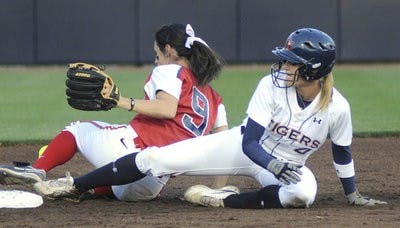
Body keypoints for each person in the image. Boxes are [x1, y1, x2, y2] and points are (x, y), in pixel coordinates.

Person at [31, 28, 387, 208]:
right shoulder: (271, 86)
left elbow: (342, 153)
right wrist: (273, 165)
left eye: (292, 62)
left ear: (313, 70)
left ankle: (219, 200)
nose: (284, 66)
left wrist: (352, 194)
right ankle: (73, 186)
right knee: (155, 158)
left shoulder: (337, 108)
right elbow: (249, 142)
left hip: (284, 165)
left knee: (304, 194)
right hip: (241, 147)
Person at [0, 23, 229, 202]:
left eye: (157, 53)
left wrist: (120, 100)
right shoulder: (214, 99)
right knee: (119, 184)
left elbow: (166, 108)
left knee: (77, 129)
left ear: (169, 50)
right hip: (150, 187)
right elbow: (223, 150)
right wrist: (218, 190)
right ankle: (84, 189)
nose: (156, 59)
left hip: (129, 152)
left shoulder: (171, 70)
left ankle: (38, 169)